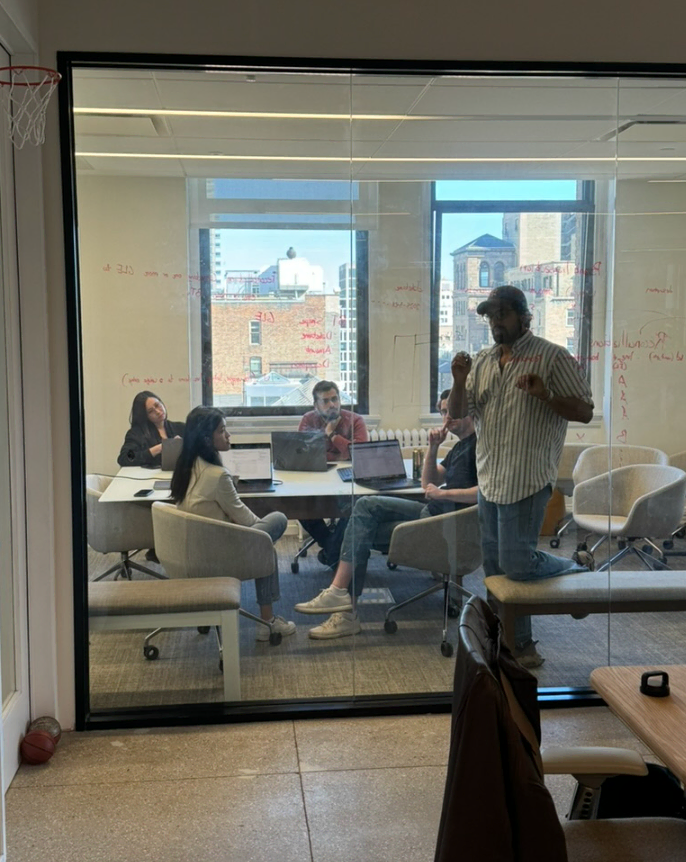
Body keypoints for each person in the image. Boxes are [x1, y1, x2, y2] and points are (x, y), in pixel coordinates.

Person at [446, 284, 594, 669]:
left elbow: (584, 412)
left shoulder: (553, 357)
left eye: (502, 315)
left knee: (517, 564)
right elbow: (460, 414)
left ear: (524, 316)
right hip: (490, 478)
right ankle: (517, 644)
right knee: (496, 570)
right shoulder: (481, 360)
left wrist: (545, 395)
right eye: (490, 316)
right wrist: (459, 380)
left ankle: (576, 568)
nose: (495, 322)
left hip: (527, 479)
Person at [294, 391, 478, 639]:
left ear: (471, 411)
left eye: (453, 411)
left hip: (449, 526)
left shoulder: (482, 445)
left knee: (359, 528)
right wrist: (433, 447)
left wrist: (444, 495)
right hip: (431, 514)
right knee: (363, 508)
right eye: (444, 412)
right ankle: (340, 597)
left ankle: (345, 609)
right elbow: (428, 483)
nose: (447, 417)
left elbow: (485, 492)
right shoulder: (459, 447)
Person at [170, 406, 296, 642]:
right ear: (207, 439)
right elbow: (248, 520)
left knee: (262, 541)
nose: (228, 436)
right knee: (273, 527)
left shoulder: (186, 467)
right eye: (223, 431)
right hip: (216, 555)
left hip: (191, 551)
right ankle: (266, 621)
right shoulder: (217, 475)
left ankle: (267, 618)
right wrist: (260, 536)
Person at [297, 380, 369, 567]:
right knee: (299, 504)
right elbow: (304, 454)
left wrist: (332, 435)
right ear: (316, 405)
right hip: (317, 477)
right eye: (326, 401)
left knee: (354, 504)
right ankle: (333, 550)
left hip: (348, 477)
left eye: (335, 399)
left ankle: (332, 554)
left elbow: (359, 454)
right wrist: (341, 451)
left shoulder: (355, 420)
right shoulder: (308, 420)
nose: (332, 405)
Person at [117, 391, 185, 468]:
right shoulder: (136, 434)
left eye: (157, 405)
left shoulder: (181, 427)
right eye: (151, 411)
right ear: (145, 416)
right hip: (149, 478)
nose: (158, 412)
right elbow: (125, 458)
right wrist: (157, 449)